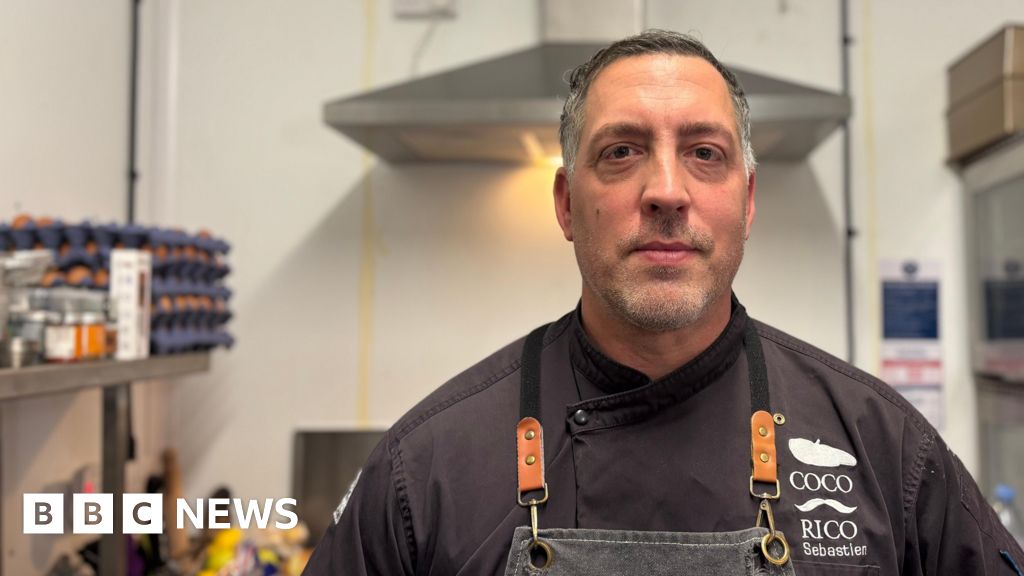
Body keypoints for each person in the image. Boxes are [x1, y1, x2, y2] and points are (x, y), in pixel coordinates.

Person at [304, 29, 1024, 575]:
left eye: (705, 153)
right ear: (566, 204)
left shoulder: (887, 451)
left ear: (747, 203)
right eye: (621, 151)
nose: (667, 192)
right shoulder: (425, 470)